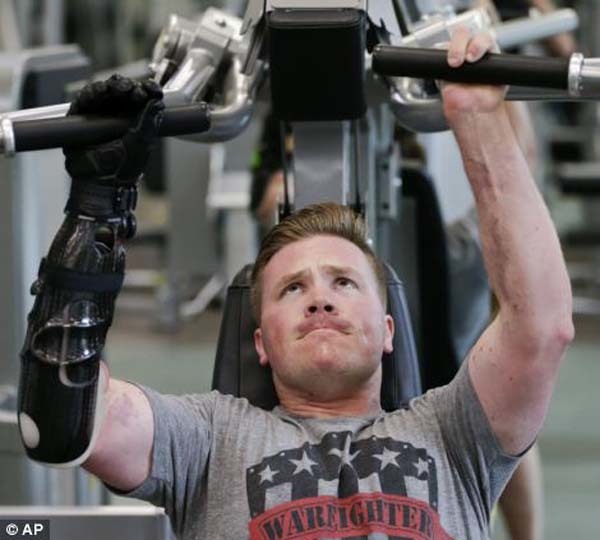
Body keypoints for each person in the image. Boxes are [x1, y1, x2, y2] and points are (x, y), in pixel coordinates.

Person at [18, 28, 573, 540]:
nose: (320, 298)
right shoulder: (207, 441)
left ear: (387, 330)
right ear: (260, 341)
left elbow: (540, 326)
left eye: (344, 282)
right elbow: (64, 420)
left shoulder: (454, 434)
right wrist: (98, 205)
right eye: (292, 289)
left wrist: (477, 117)